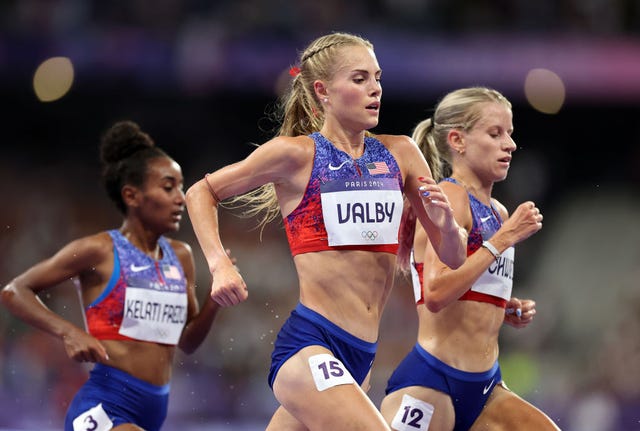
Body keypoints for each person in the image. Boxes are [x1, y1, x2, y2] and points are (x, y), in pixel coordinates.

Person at [185, 32, 468, 430]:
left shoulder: (401, 153)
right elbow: (201, 192)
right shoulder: (296, 155)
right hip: (309, 346)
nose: (375, 90)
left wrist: (447, 227)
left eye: (378, 78)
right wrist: (219, 265)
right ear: (323, 91)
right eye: (359, 79)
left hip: (360, 357)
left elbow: (453, 258)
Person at [0, 120, 221, 431]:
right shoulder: (99, 251)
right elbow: (14, 291)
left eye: (182, 187)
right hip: (104, 405)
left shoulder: (180, 256)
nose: (181, 198)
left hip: (154, 410)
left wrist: (215, 298)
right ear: (131, 196)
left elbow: (186, 341)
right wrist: (68, 331)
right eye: (168, 187)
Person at [380, 87, 561, 430]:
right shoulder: (450, 197)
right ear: (457, 141)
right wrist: (505, 237)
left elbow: (469, 283)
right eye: (495, 134)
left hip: (486, 385)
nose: (509, 144)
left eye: (510, 133)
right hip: (434, 380)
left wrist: (500, 305)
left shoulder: (498, 210)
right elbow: (435, 294)